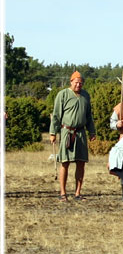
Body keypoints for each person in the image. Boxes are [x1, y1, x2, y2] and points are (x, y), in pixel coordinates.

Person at [49, 71, 96, 202]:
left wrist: (92, 131)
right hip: (66, 133)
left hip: (81, 133)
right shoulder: (62, 95)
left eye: (81, 83)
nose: (78, 85)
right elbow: (56, 115)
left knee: (81, 163)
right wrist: (53, 133)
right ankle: (63, 193)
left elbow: (89, 116)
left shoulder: (85, 95)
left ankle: (77, 193)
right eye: (76, 82)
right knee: (65, 162)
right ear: (71, 82)